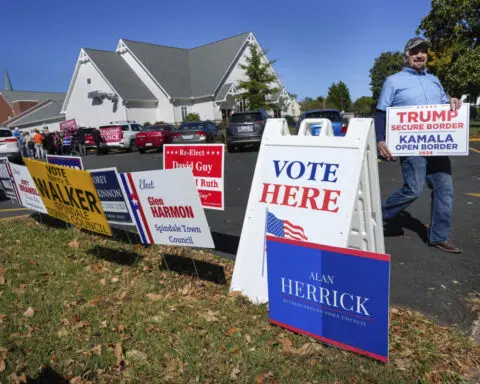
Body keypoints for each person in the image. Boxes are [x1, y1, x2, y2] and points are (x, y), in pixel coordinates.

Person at [375, 37, 463, 253]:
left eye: (423, 51)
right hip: (411, 145)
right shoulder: (393, 81)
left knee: (445, 190)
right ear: (407, 55)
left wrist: (452, 100)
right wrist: (380, 139)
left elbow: (444, 106)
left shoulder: (434, 80)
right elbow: (381, 112)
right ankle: (377, 217)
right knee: (413, 189)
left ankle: (439, 237)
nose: (420, 55)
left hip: (438, 145)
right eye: (415, 52)